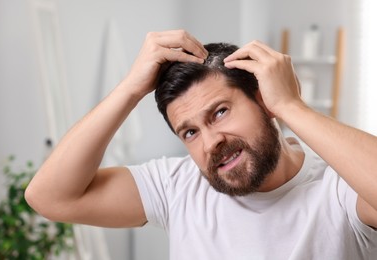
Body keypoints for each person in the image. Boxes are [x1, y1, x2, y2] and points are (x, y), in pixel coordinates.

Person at [25, 30, 377, 259]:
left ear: (262, 99)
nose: (211, 142)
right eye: (189, 132)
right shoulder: (177, 186)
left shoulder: (339, 189)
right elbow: (50, 197)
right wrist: (129, 88)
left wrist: (290, 105)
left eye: (220, 112)